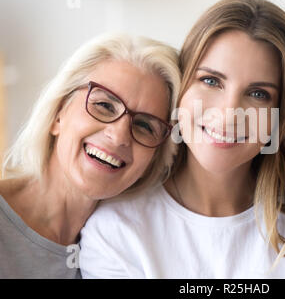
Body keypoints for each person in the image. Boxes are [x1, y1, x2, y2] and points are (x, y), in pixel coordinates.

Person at [79, 0, 285, 278]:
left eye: (258, 94)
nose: (228, 113)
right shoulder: (117, 231)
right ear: (182, 85)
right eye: (211, 81)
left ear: (280, 113)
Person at [0, 33, 180, 278]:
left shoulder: (127, 248)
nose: (118, 137)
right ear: (58, 114)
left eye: (145, 126)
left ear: (153, 160)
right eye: (104, 106)